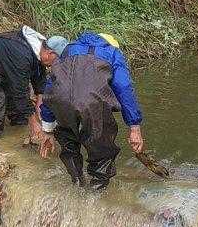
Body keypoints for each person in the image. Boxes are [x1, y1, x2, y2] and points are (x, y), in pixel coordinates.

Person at [39, 31, 145, 190]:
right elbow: (123, 87)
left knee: (69, 146)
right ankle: (97, 194)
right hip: (92, 104)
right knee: (102, 152)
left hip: (61, 104)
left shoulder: (67, 50)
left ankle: (77, 184)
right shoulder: (112, 53)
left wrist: (47, 130)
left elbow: (51, 87)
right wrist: (134, 126)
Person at [0, 25, 68, 139]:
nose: (55, 65)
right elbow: (19, 91)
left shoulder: (38, 52)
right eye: (56, 61)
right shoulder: (22, 54)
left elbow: (40, 83)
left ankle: (18, 130)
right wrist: (34, 123)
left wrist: (39, 114)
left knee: (20, 113)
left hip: (2, 68)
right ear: (50, 53)